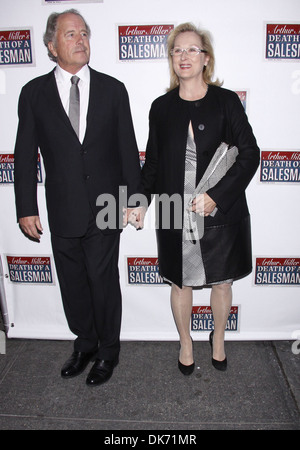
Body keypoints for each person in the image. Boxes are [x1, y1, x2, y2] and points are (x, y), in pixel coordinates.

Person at [14, 9, 142, 386]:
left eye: (84, 33)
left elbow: (127, 150)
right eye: (70, 35)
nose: (80, 40)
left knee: (103, 282)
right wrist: (25, 208)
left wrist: (133, 199)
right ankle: (85, 343)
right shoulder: (33, 93)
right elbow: (24, 155)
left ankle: (108, 351)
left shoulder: (113, 89)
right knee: (72, 281)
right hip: (63, 206)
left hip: (106, 207)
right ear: (52, 46)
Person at [141, 23, 260, 373]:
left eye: (192, 49)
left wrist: (217, 197)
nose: (184, 56)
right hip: (176, 212)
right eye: (178, 50)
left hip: (220, 212)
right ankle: (186, 342)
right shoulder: (160, 107)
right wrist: (138, 200)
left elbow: (250, 153)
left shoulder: (226, 102)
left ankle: (218, 338)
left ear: (205, 58)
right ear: (171, 59)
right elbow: (153, 164)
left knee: (222, 282)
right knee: (180, 281)